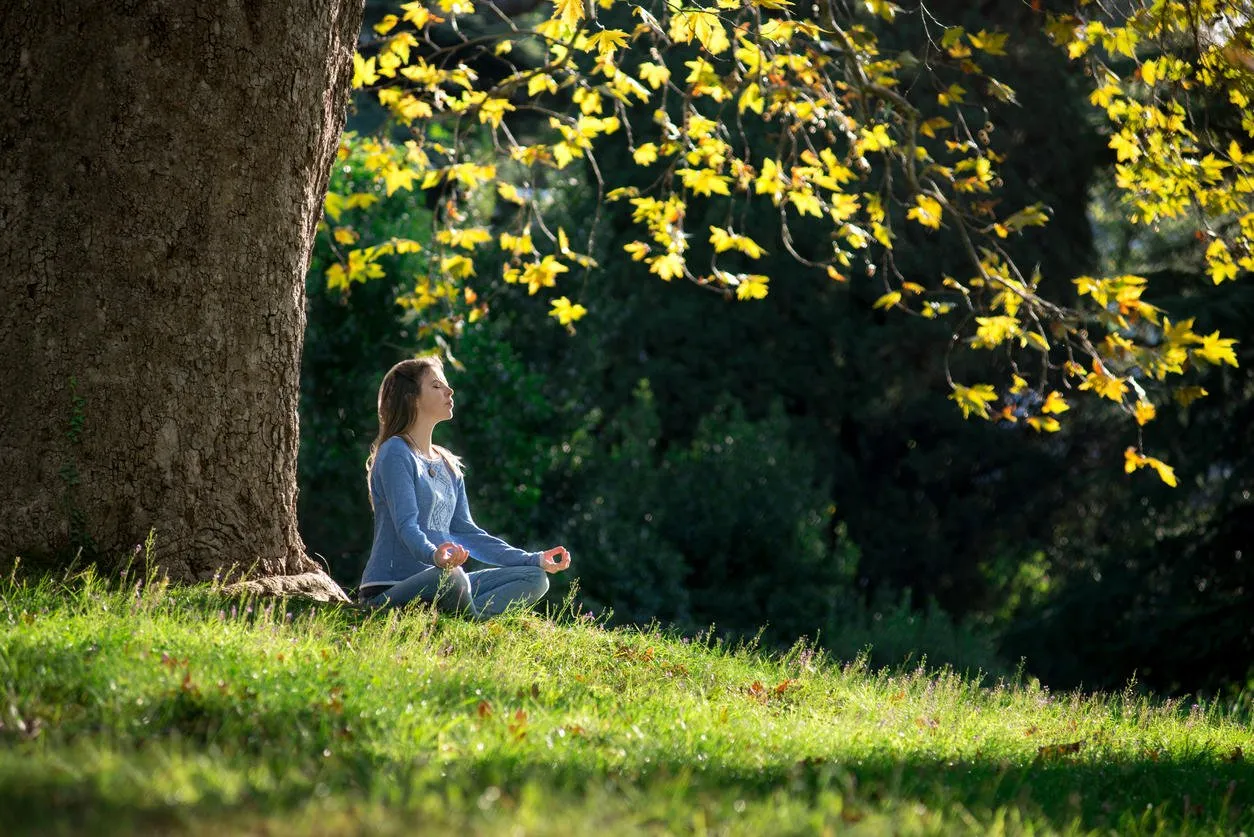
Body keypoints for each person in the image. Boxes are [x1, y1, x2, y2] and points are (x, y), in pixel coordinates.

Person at [357, 356, 571, 616]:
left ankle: (463, 615)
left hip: (445, 585)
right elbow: (406, 525)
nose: (449, 391)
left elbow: (468, 533)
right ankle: (472, 619)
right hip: (390, 589)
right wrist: (435, 556)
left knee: (535, 578)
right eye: (436, 386)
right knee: (453, 578)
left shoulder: (448, 463)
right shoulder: (395, 452)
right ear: (410, 397)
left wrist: (533, 559)